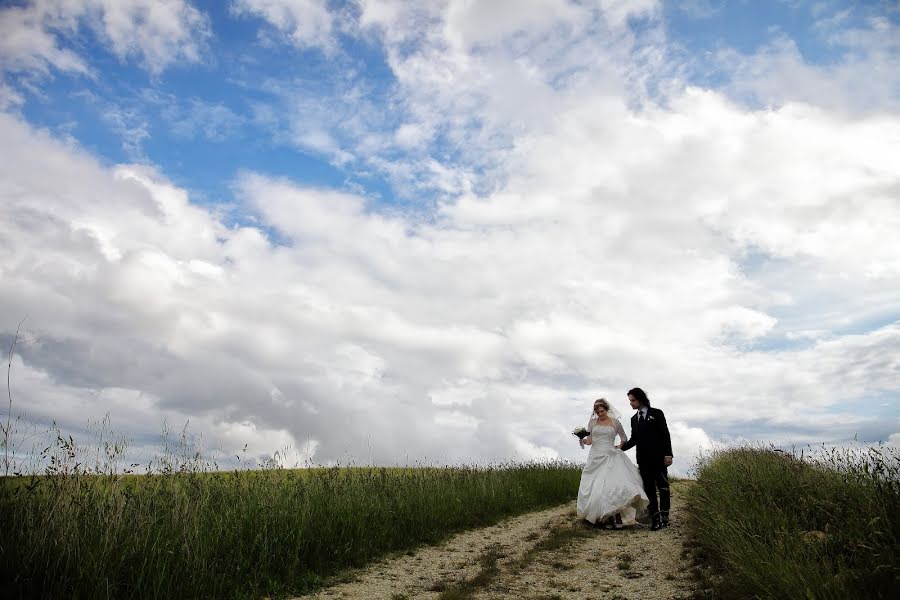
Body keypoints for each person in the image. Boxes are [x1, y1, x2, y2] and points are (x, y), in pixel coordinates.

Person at [576, 398, 649, 528]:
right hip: (595, 456)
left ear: (606, 410)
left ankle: (617, 517)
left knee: (612, 485)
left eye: (602, 411)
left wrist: (619, 447)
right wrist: (582, 440)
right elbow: (590, 441)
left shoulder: (615, 423)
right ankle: (607, 518)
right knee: (597, 486)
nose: (600, 414)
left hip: (611, 455)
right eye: (597, 412)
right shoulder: (592, 423)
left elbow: (624, 437)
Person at [618, 387, 673, 531]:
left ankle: (665, 518)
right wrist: (619, 448)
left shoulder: (657, 413)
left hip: (659, 459)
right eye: (630, 400)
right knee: (649, 490)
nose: (631, 403)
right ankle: (655, 519)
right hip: (643, 460)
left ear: (641, 399)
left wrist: (668, 454)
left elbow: (665, 434)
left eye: (633, 400)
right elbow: (634, 439)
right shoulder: (633, 419)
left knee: (663, 488)